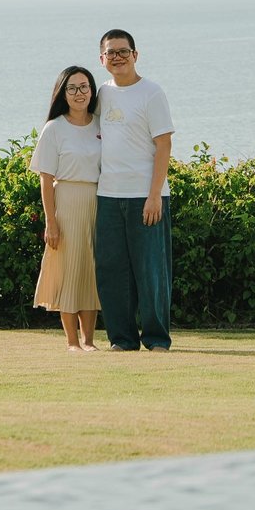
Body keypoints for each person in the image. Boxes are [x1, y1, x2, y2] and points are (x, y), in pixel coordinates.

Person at [94, 28, 174, 352]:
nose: (117, 57)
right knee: (112, 270)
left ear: (135, 55)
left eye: (123, 51)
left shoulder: (152, 93)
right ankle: (122, 340)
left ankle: (156, 339)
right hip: (109, 195)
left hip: (146, 195)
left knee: (151, 270)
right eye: (111, 52)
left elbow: (164, 145)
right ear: (102, 59)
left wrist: (154, 195)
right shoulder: (101, 94)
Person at [30, 65, 103, 351]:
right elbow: (46, 180)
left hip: (98, 200)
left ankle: (89, 341)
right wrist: (51, 222)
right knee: (69, 271)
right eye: (72, 88)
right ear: (63, 93)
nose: (79, 93)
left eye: (84, 86)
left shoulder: (101, 124)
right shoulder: (55, 128)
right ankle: (72, 342)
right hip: (67, 202)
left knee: (91, 272)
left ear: (92, 90)